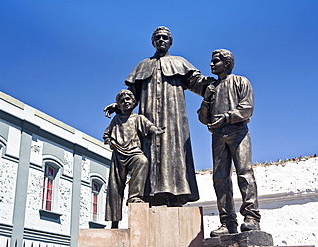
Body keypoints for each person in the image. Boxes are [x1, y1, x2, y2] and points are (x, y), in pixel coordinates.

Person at [105, 26, 214, 206]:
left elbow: (196, 82)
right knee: (148, 154)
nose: (161, 40)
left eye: (165, 38)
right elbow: (132, 95)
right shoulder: (143, 66)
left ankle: (177, 195)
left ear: (170, 42)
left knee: (175, 151)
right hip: (148, 120)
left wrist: (210, 85)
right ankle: (150, 195)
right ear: (153, 42)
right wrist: (117, 106)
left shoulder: (179, 62)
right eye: (158, 38)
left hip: (174, 121)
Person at [197, 49, 261, 237]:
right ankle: (227, 222)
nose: (211, 65)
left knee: (244, 173)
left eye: (215, 61)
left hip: (237, 132)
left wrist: (225, 118)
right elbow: (203, 118)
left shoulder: (241, 81)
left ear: (226, 63)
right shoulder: (212, 88)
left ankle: (251, 218)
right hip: (217, 136)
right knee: (220, 178)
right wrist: (207, 99)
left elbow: (247, 109)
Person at [104, 89, 165, 228]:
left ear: (133, 102)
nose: (125, 102)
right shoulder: (116, 119)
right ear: (118, 105)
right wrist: (111, 142)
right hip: (118, 154)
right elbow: (106, 135)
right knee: (115, 186)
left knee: (142, 161)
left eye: (128, 99)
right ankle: (114, 222)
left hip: (134, 152)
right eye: (122, 101)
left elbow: (150, 127)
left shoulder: (138, 118)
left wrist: (157, 130)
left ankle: (135, 197)